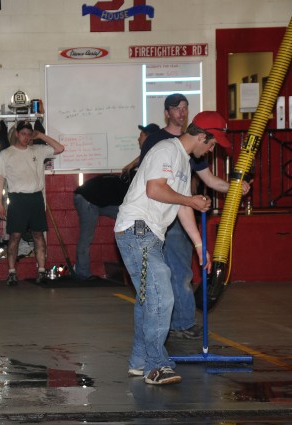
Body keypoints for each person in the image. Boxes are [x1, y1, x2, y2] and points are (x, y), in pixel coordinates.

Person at [115, 112, 228, 385]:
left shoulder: (183, 161)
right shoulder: (166, 150)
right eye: (212, 145)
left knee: (148, 299)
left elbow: (179, 207)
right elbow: (155, 190)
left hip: (148, 232)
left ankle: (139, 361)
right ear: (202, 136)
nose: (211, 150)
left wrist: (200, 246)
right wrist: (189, 200)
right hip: (137, 229)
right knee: (162, 295)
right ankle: (156, 366)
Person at [140, 94, 250, 340]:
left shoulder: (191, 149)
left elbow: (209, 180)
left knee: (180, 271)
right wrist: (189, 199)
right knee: (156, 280)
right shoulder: (160, 143)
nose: (181, 112)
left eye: (185, 108)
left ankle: (182, 323)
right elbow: (152, 185)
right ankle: (154, 339)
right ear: (167, 112)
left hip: (180, 213)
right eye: (176, 109)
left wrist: (234, 186)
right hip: (153, 216)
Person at [73, 123, 160, 280]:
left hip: (107, 200)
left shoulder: (150, 162)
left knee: (132, 223)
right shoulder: (146, 162)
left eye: (141, 135)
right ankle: (82, 274)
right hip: (88, 199)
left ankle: (140, 265)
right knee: (88, 236)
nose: (137, 138)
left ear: (148, 138)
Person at [0, 121, 65, 286]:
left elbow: (60, 148)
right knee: (15, 236)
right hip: (17, 199)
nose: (26, 137)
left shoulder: (38, 151)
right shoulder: (6, 154)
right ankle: (12, 273)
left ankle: (41, 272)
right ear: (17, 134)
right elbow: (0, 180)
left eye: (29, 134)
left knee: (38, 235)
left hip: (35, 198)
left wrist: (40, 135)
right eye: (23, 134)